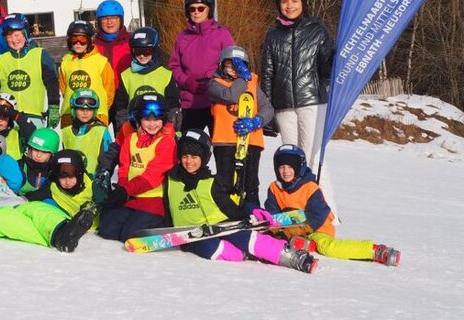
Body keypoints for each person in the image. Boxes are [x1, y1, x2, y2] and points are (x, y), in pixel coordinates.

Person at [162, 130, 318, 273]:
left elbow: (233, 208)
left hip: (222, 227)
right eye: (185, 156)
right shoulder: (170, 181)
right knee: (227, 252)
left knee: (248, 239)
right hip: (192, 236)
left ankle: (293, 257)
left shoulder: (211, 183)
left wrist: (251, 210)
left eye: (194, 157)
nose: (189, 161)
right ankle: (249, 254)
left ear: (203, 159)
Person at [0, 132, 94, 252]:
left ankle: (63, 228)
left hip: (14, 204)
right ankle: (57, 237)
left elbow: (17, 178)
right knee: (7, 219)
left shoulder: (1, 174)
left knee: (38, 208)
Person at [266, 144, 400, 266]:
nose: (286, 171)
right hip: (293, 230)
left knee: (327, 247)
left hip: (318, 228)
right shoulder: (274, 188)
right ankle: (307, 245)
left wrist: (287, 231)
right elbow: (274, 217)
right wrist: (273, 231)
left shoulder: (310, 188)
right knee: (272, 239)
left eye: (290, 167)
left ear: (299, 168)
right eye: (282, 167)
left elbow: (315, 217)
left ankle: (375, 251)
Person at [261, 0, 335, 182]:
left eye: (294, 1)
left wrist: (335, 58)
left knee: (313, 160)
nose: (289, 6)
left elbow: (327, 70)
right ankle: (296, 202)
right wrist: (267, 113)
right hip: (283, 107)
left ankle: (323, 203)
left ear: (303, 2)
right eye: (284, 2)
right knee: (290, 162)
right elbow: (267, 74)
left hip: (312, 103)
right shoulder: (273, 36)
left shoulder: (317, 31)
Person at [96, 93, 177, 242]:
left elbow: (153, 176)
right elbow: (124, 168)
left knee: (129, 235)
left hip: (153, 200)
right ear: (138, 119)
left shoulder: (167, 142)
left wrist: (126, 190)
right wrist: (121, 189)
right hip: (131, 197)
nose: (152, 124)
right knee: (107, 229)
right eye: (147, 119)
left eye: (156, 119)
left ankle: (162, 223)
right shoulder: (131, 139)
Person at [208, 45, 274, 209]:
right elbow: (230, 96)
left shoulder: (252, 84)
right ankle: (227, 212)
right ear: (222, 65)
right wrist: (243, 79)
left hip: (250, 141)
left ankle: (253, 211)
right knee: (226, 182)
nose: (233, 69)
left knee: (250, 183)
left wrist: (257, 121)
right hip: (225, 141)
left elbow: (268, 108)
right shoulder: (215, 84)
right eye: (229, 65)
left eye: (238, 66)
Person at [168, 0, 234, 133]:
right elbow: (174, 66)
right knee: (189, 144)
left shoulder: (222, 34)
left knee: (221, 145)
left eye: (200, 8)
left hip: (216, 101)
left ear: (209, 10)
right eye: (192, 9)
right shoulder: (182, 37)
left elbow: (233, 63)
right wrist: (187, 81)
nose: (196, 12)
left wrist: (216, 81)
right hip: (191, 102)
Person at [0, 14, 59, 129]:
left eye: (17, 35)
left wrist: (54, 106)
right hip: (8, 117)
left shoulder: (39, 55)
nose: (14, 40)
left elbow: (52, 82)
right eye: (9, 36)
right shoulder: (2, 59)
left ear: (25, 34)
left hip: (33, 116)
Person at [112, 27, 180, 133]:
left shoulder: (165, 75)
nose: (142, 56)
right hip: (135, 131)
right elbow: (121, 108)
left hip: (159, 129)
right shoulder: (126, 76)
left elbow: (173, 106)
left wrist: (170, 128)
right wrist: (123, 129)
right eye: (138, 51)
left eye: (146, 52)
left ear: (154, 50)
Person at [59, 19, 116, 126]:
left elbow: (109, 91)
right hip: (70, 115)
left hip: (96, 115)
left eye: (83, 39)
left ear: (90, 40)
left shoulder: (101, 62)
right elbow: (63, 88)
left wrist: (100, 110)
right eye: (74, 39)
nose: (78, 43)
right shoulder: (66, 61)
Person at [59, 89, 113, 177]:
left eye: (89, 109)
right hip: (70, 181)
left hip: (94, 181)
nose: (85, 113)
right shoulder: (65, 132)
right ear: (74, 110)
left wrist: (103, 176)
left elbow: (108, 160)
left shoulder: (101, 131)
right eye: (81, 109)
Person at [43, 149, 96, 228]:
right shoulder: (52, 187)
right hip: (66, 223)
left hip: (94, 227)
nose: (67, 182)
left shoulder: (92, 184)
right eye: (63, 177)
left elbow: (104, 202)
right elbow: (36, 196)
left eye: (71, 176)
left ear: (79, 174)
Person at [91, 0, 131, 86]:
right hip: (102, 91)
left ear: (121, 20)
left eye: (114, 18)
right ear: (99, 22)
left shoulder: (131, 42)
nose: (109, 22)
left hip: (125, 90)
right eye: (105, 18)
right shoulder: (93, 46)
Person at [17, 128, 59, 200]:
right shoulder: (19, 166)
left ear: (52, 154)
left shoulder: (53, 172)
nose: (38, 155)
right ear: (30, 149)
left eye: (44, 152)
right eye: (36, 150)